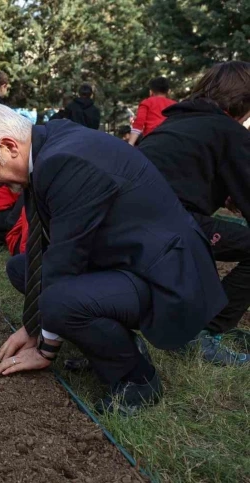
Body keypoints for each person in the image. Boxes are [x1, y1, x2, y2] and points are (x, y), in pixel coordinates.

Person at [0, 101, 226, 415]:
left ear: (9, 146)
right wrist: (32, 324)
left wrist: (43, 344)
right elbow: (50, 252)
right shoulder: (48, 144)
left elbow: (65, 263)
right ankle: (114, 343)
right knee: (22, 269)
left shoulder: (62, 162)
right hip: (129, 259)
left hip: (167, 277)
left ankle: (138, 381)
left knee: (58, 301)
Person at [139, 61, 250, 366]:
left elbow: (181, 172)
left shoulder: (174, 122)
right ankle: (206, 332)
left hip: (130, 222)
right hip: (169, 225)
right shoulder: (228, 130)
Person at [127, 77, 176, 146]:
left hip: (152, 140)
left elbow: (139, 123)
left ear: (151, 91)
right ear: (168, 91)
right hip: (172, 140)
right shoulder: (175, 105)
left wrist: (130, 144)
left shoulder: (146, 103)